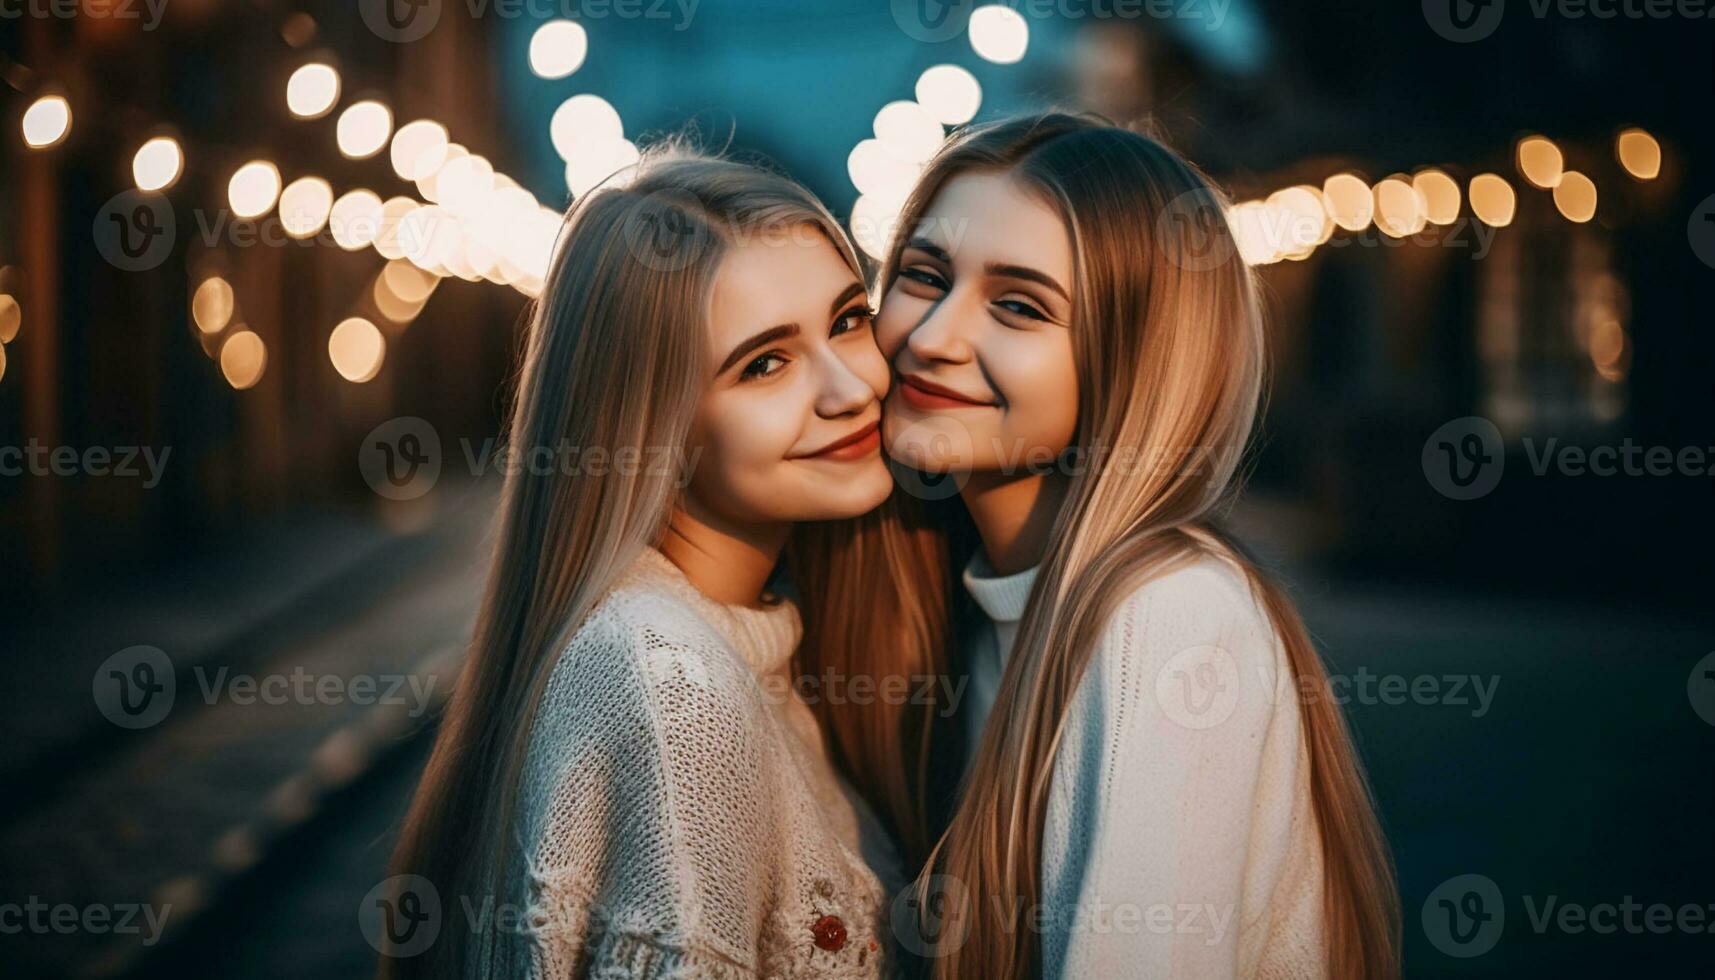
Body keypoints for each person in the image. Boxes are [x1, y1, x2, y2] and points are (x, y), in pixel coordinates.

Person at [838, 112, 1402, 979]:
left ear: (1130, 358)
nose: (931, 338)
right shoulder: (965, 598)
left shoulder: (1166, 616)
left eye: (1018, 307)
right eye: (924, 276)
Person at [383, 146, 908, 979]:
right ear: (647, 429)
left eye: (847, 319)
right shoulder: (670, 685)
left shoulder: (723, 647)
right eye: (765, 364)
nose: (851, 388)